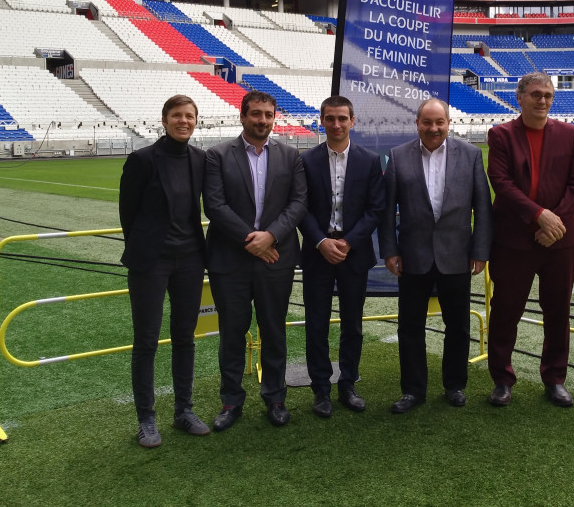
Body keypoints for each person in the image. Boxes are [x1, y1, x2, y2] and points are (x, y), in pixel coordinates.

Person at [380, 98, 492, 413]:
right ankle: (413, 390)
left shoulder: (470, 155)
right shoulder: (398, 157)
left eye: (439, 122)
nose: (433, 128)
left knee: (457, 325)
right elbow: (386, 210)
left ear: (448, 123)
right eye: (427, 122)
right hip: (412, 256)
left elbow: (483, 207)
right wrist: (389, 250)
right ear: (417, 124)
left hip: (457, 255)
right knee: (410, 325)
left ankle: (454, 385)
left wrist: (480, 250)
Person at [203, 90, 306, 430]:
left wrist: (270, 237)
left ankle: (275, 398)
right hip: (230, 260)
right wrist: (254, 240)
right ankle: (231, 402)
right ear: (242, 116)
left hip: (275, 258)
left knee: (274, 331)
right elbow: (214, 205)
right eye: (256, 114)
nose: (263, 120)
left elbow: (298, 203)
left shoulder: (291, 156)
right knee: (232, 333)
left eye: (268, 114)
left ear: (274, 117)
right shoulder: (217, 155)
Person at [485, 71, 574, 408]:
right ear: (520, 97)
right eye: (536, 94)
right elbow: (501, 183)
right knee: (505, 311)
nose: (543, 101)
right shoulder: (500, 135)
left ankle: (555, 379)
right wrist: (538, 216)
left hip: (560, 240)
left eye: (548, 95)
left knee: (558, 311)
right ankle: (502, 379)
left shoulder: (571, 135)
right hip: (513, 240)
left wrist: (553, 222)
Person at [119, 94, 210, 448]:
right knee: (146, 340)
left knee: (185, 337)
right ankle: (146, 419)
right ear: (165, 119)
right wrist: (147, 249)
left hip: (190, 259)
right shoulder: (142, 159)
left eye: (189, 116)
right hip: (151, 262)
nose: (183, 121)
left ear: (195, 120)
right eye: (177, 116)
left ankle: (183, 411)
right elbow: (129, 213)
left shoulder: (200, 159)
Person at [299, 96, 386, 417]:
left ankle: (348, 383)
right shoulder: (306, 161)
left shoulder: (368, 160)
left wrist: (347, 242)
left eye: (342, 119)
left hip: (353, 255)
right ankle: (320, 389)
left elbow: (375, 209)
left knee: (353, 325)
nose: (336, 124)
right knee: (317, 324)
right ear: (321, 120)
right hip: (317, 254)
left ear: (353, 121)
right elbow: (300, 208)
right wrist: (321, 241)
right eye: (330, 118)